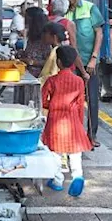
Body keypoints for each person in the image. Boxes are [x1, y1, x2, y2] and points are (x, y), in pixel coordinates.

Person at [41, 45, 94, 197]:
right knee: (75, 153)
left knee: (56, 153)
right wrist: (80, 122)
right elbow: (80, 104)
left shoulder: (52, 81)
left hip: (56, 121)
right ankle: (77, 176)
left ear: (58, 61)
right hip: (73, 121)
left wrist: (49, 106)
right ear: (72, 63)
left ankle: (57, 181)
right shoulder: (78, 81)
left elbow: (43, 99)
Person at [64, 0, 104, 146]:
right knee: (72, 100)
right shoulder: (65, 10)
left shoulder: (90, 8)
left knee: (92, 100)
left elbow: (99, 34)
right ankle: (75, 134)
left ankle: (91, 136)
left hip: (89, 62)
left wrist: (94, 58)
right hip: (71, 64)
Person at [17, 7, 52, 78]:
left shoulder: (45, 39)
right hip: (27, 74)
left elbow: (50, 62)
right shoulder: (32, 37)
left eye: (27, 19)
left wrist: (32, 62)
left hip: (39, 77)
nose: (25, 21)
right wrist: (22, 53)